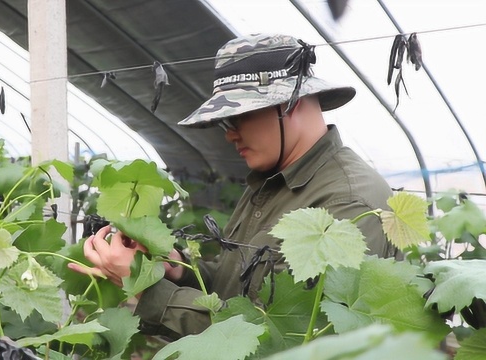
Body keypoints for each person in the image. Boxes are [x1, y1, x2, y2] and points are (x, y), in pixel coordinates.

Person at [68, 33, 399, 339]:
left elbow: (281, 338)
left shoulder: (347, 202)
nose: (229, 133)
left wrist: (150, 295)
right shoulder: (271, 180)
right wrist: (175, 268)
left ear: (291, 103)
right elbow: (238, 292)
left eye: (237, 117)